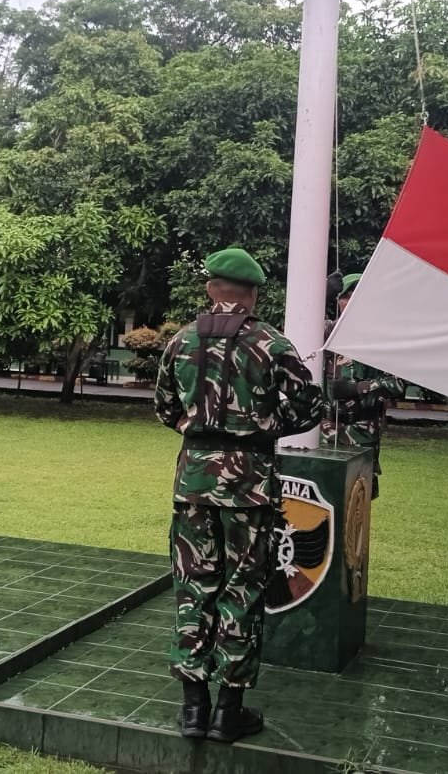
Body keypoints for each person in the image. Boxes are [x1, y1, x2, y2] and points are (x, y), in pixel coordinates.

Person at [153, 247, 324, 743]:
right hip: (250, 485)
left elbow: (164, 407)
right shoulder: (272, 343)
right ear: (252, 295)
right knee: (243, 590)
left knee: (193, 587)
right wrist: (263, 426)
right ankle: (228, 712)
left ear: (211, 289)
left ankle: (192, 710)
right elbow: (309, 406)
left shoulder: (180, 340)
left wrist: (199, 429)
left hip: (194, 482)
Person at [320, 273, 407, 498]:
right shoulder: (328, 331)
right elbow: (296, 329)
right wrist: (322, 295)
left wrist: (358, 389)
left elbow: (397, 384)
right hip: (326, 430)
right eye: (345, 296)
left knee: (358, 498)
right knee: (323, 493)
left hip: (362, 430)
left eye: (356, 296)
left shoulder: (382, 337)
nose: (349, 302)